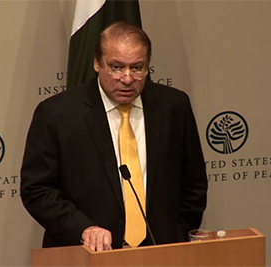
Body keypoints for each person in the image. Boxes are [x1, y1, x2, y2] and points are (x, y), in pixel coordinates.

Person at [20, 21, 207, 252]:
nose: (127, 78)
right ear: (97, 63)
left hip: (160, 252)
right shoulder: (57, 114)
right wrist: (83, 230)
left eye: (137, 68)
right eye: (116, 67)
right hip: (86, 255)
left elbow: (194, 185)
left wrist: (174, 236)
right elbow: (37, 190)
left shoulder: (174, 107)